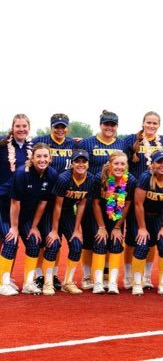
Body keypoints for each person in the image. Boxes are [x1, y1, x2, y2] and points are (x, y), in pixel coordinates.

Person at [0, 143, 57, 296]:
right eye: (38, 156)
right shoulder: (22, 173)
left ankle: (28, 283)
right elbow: (14, 202)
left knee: (34, 241)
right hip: (6, 213)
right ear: (32, 158)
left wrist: (34, 226)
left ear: (50, 159)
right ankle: (3, 284)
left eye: (45, 156)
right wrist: (14, 227)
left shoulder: (51, 175)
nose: (42, 159)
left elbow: (42, 203)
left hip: (26, 216)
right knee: (11, 241)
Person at [78, 110, 126, 290]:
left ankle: (106, 276)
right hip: (93, 196)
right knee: (92, 238)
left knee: (112, 238)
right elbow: (80, 164)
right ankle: (87, 276)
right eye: (106, 124)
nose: (109, 127)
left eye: (113, 124)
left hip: (116, 199)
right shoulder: (87, 143)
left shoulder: (122, 144)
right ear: (100, 124)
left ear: (117, 126)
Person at [123, 111, 163, 290]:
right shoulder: (131, 140)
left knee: (150, 239)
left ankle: (147, 276)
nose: (151, 126)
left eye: (154, 123)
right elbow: (118, 156)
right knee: (132, 238)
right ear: (142, 123)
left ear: (159, 125)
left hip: (155, 197)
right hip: (135, 193)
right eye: (148, 122)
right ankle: (129, 276)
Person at [33, 113, 77, 291]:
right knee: (41, 241)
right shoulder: (40, 141)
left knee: (56, 241)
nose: (60, 130)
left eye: (63, 127)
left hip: (64, 201)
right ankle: (39, 276)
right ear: (51, 127)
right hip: (43, 198)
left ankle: (54, 275)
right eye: (56, 126)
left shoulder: (74, 144)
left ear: (67, 127)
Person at [131, 149, 163, 296]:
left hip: (161, 215)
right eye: (159, 161)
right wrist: (142, 227)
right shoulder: (145, 178)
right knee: (142, 245)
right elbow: (138, 204)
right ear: (152, 164)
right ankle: (137, 283)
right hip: (143, 215)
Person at [43, 150, 94, 295]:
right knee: (52, 244)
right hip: (52, 211)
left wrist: (77, 229)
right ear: (72, 163)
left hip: (68, 213)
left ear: (88, 164)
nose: (80, 164)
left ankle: (68, 282)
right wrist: (54, 230)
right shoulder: (64, 179)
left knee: (77, 244)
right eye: (77, 161)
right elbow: (57, 206)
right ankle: (48, 282)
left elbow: (82, 204)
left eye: (83, 161)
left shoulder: (90, 179)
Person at [91, 151, 136, 294]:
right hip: (99, 217)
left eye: (123, 164)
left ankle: (112, 282)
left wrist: (117, 227)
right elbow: (96, 204)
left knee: (116, 244)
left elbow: (127, 205)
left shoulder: (130, 180)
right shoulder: (99, 178)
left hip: (117, 217)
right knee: (100, 242)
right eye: (116, 163)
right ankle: (98, 282)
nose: (119, 167)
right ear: (110, 165)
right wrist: (101, 227)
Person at [0, 114, 33, 294]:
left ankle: (6, 277)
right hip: (2, 200)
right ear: (13, 127)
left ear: (29, 128)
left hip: (20, 203)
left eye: (24, 126)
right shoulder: (2, 145)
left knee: (13, 240)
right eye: (18, 126)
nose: (21, 129)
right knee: (7, 239)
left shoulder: (32, 147)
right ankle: (2, 282)